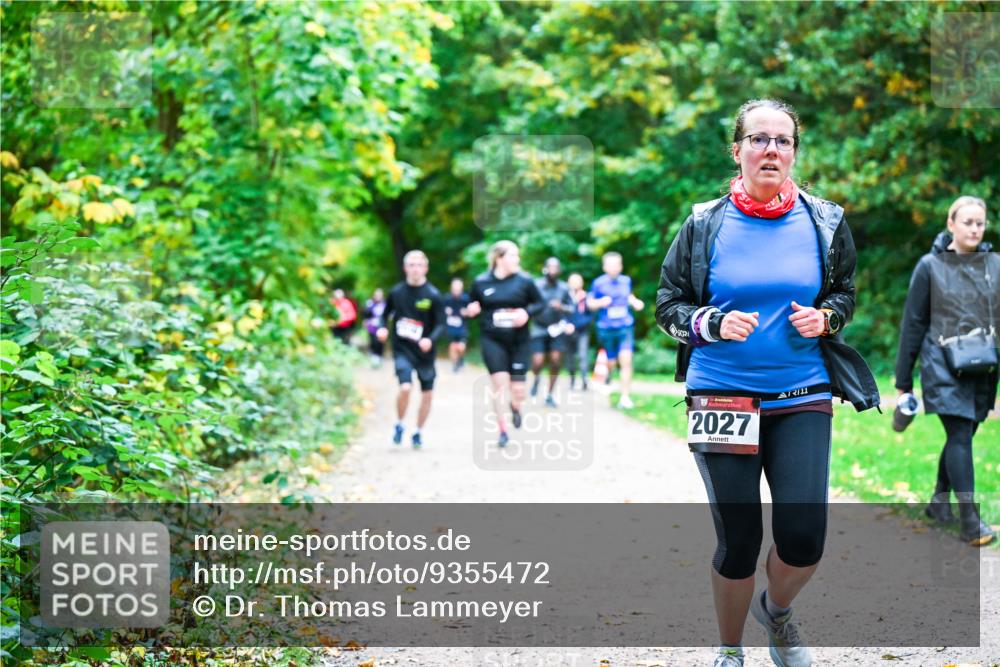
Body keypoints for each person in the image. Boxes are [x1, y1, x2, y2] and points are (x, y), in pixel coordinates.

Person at [655, 99, 879, 667]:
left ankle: (775, 612)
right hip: (721, 392)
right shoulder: (704, 224)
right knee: (739, 540)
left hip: (802, 391)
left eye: (782, 140)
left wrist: (826, 318)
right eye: (759, 139)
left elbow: (844, 293)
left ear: (795, 153)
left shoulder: (825, 221)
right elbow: (668, 304)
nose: (771, 150)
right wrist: (711, 324)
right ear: (738, 151)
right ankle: (730, 650)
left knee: (804, 538)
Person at [894, 195, 997, 546]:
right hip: (941, 365)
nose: (974, 229)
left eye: (980, 223)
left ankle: (939, 501)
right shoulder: (930, 266)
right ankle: (970, 521)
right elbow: (913, 324)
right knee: (959, 434)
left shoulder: (993, 266)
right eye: (967, 222)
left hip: (982, 366)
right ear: (951, 224)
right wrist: (904, 380)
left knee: (963, 435)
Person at [465, 240, 544, 447]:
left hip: (519, 341)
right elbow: (470, 304)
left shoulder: (525, 281)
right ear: (499, 258)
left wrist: (526, 312)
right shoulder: (481, 282)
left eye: (517, 255)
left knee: (518, 390)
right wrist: (471, 310)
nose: (517, 259)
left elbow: (540, 304)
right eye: (513, 255)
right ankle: (502, 430)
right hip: (492, 339)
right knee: (500, 384)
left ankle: (515, 407)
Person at [376, 251, 446, 449]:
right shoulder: (397, 292)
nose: (415, 269)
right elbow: (384, 315)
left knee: (427, 394)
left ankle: (418, 431)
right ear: (405, 268)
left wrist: (430, 340)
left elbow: (441, 324)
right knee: (405, 387)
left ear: (426, 268)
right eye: (412, 265)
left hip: (425, 353)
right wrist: (382, 328)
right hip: (402, 350)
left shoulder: (433, 294)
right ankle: (399, 424)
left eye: (419, 265)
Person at [587, 252, 644, 409]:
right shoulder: (598, 283)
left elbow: (629, 296)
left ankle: (625, 397)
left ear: (621, 266)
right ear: (605, 267)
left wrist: (635, 302)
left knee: (626, 360)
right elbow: (590, 303)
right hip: (607, 328)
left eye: (617, 265)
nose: (614, 268)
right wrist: (600, 302)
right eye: (611, 265)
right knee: (611, 362)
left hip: (625, 326)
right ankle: (608, 377)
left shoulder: (626, 281)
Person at [530, 257, 575, 407]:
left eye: (556, 268)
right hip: (539, 327)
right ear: (545, 269)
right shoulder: (536, 285)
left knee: (556, 360)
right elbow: (528, 304)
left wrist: (561, 307)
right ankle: (536, 379)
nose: (553, 270)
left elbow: (572, 308)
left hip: (557, 328)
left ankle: (549, 394)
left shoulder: (564, 288)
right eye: (550, 267)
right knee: (538, 361)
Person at [565, 273, 594, 391]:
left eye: (577, 281)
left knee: (583, 356)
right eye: (572, 281)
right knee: (570, 357)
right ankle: (572, 379)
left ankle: (584, 379)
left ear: (582, 283)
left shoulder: (587, 297)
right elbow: (562, 313)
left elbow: (590, 316)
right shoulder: (565, 297)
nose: (575, 284)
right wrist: (566, 325)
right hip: (568, 332)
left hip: (582, 331)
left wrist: (576, 325)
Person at [443, 278, 471, 372]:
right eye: (454, 287)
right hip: (450, 327)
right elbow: (440, 310)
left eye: (458, 287)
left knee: (461, 347)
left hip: (462, 327)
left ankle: (461, 359)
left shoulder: (466, 298)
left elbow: (472, 312)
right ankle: (455, 365)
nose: (456, 289)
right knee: (452, 346)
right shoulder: (447, 298)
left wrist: (466, 312)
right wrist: (445, 311)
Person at [363, 288, 387, 368]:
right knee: (373, 341)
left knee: (380, 342)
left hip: (381, 327)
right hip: (372, 326)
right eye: (376, 295)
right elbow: (366, 314)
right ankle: (374, 356)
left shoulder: (384, 304)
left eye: (379, 295)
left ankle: (380, 356)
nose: (378, 296)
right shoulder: (370, 303)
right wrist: (365, 321)